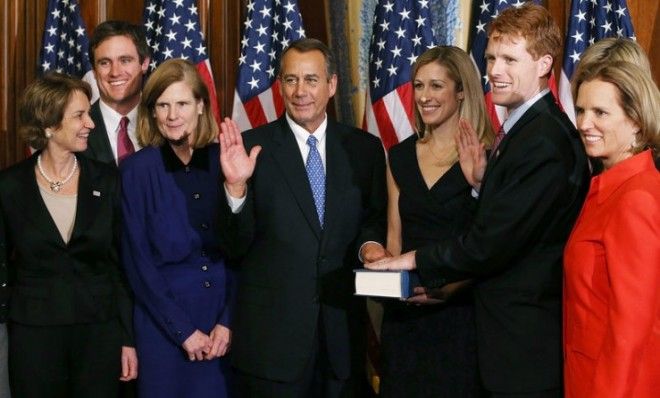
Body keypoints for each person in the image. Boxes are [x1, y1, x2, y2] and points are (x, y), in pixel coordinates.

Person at [365, 4, 590, 397]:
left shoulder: (543, 141)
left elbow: (488, 244)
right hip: (492, 343)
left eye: (509, 59)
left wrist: (408, 260)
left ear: (543, 64)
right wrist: (481, 184)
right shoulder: (523, 133)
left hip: (518, 348)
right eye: (490, 57)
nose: (495, 70)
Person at [219, 38, 387, 397]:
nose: (300, 91)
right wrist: (235, 189)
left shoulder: (363, 149)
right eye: (291, 80)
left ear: (332, 85)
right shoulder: (250, 149)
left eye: (311, 80)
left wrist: (371, 245)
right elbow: (233, 247)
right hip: (272, 347)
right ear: (280, 85)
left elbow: (373, 218)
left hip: (340, 337)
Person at [0, 73, 137, 397]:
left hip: (99, 333)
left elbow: (120, 265)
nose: (90, 123)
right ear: (49, 124)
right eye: (79, 115)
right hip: (33, 336)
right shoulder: (9, 186)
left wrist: (128, 338)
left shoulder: (107, 180)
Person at [379, 46, 492, 397]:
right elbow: (394, 242)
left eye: (437, 86)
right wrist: (384, 280)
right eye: (419, 85)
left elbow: (491, 243)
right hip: (405, 322)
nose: (425, 97)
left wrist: (450, 290)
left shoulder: (487, 156)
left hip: (462, 320)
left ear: (461, 91)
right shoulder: (398, 156)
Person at [120, 59, 234, 397]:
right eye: (163, 105)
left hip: (222, 329)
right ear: (152, 112)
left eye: (182, 103)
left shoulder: (225, 161)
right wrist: (183, 331)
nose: (172, 115)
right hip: (163, 329)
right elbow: (137, 264)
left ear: (200, 105)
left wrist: (227, 322)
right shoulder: (136, 171)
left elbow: (243, 250)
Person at [563, 57, 660, 397]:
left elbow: (630, 330)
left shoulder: (637, 198)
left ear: (635, 121)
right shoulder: (608, 187)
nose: (585, 123)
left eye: (600, 113)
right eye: (580, 110)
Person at [83, 20, 150, 165]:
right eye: (105, 63)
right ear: (94, 71)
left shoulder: (165, 122)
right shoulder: (78, 128)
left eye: (125, 60)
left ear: (144, 63)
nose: (115, 72)